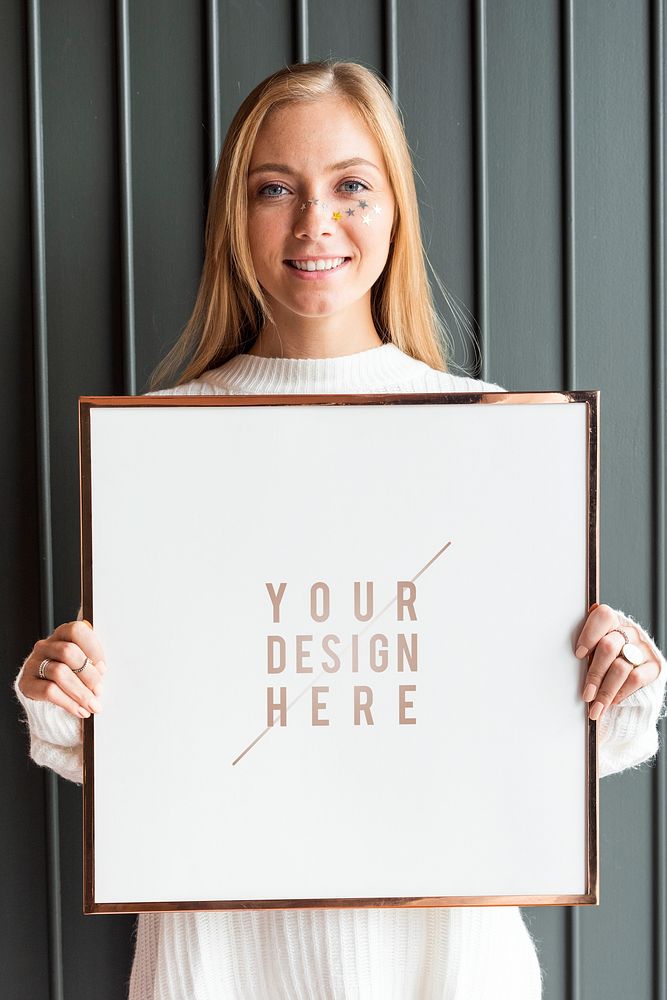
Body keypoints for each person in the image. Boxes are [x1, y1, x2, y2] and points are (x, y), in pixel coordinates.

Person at [14, 60, 667, 1000]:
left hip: (451, 968)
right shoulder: (159, 444)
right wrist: (64, 696)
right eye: (274, 189)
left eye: (350, 186)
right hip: (221, 970)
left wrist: (619, 675)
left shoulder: (496, 434)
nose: (314, 222)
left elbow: (555, 752)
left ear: (395, 207)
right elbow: (150, 754)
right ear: (233, 221)